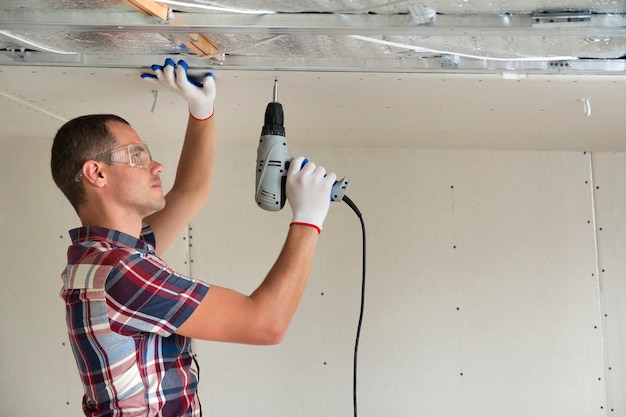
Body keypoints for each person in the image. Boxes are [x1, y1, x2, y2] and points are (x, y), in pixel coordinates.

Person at [50, 58, 336, 417]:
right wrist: (309, 219)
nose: (156, 166)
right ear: (97, 174)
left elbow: (189, 193)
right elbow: (266, 324)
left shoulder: (103, 257)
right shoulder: (119, 271)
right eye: (137, 156)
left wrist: (202, 111)